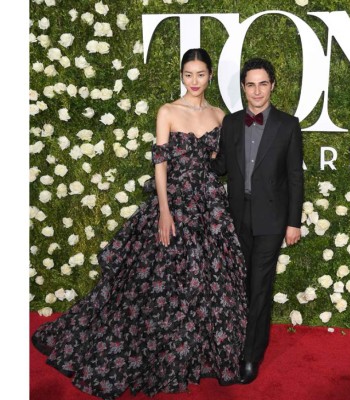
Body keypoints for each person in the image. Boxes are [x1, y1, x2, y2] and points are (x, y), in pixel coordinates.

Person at [31, 48, 248, 399]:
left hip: (207, 205)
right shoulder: (168, 111)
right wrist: (164, 210)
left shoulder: (220, 116)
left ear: (210, 76)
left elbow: (217, 162)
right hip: (173, 202)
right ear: (182, 75)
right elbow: (159, 164)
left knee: (208, 280)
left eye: (201, 74)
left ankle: (196, 354)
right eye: (188, 74)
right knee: (157, 282)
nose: (194, 81)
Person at [211, 57, 304, 384]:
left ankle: (250, 356)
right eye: (250, 84)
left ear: (272, 85)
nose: (257, 90)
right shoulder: (232, 123)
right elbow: (219, 166)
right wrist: (192, 151)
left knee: (260, 285)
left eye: (263, 83)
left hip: (272, 218)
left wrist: (294, 222)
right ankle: (245, 341)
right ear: (243, 87)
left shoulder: (288, 125)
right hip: (236, 217)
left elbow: (295, 177)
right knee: (241, 286)